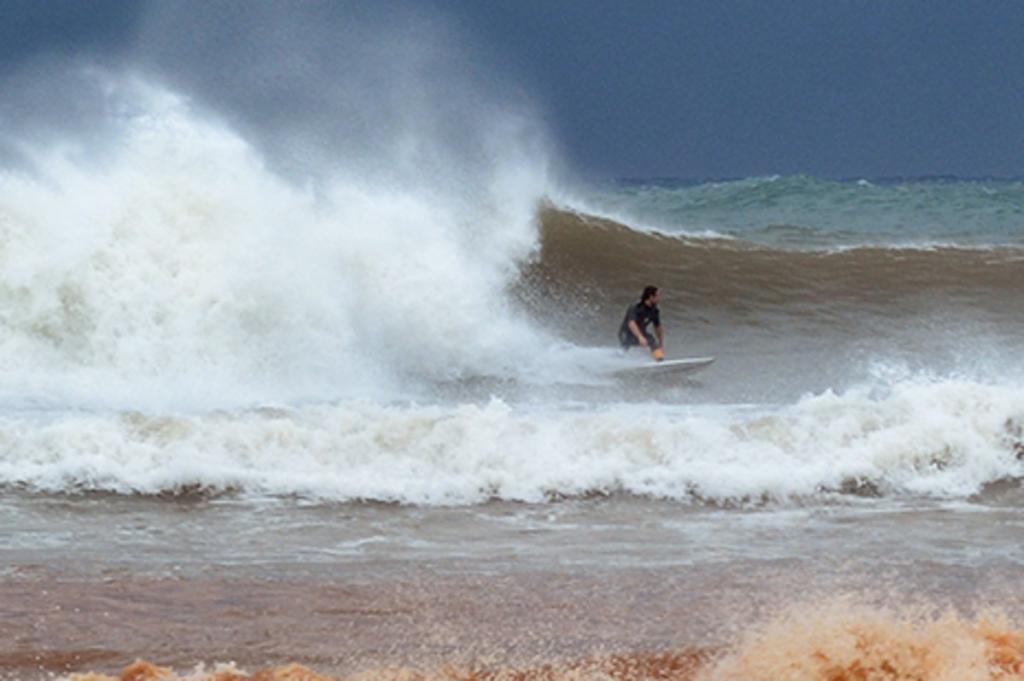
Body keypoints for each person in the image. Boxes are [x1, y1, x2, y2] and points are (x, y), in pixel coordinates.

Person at [618, 285, 665, 361]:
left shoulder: (655, 310)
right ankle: (616, 360)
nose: (659, 298)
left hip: (641, 333)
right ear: (651, 297)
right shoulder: (636, 307)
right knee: (625, 347)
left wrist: (661, 344)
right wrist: (640, 337)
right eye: (657, 296)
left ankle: (659, 360)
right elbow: (631, 323)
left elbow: (657, 327)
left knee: (652, 341)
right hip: (626, 333)